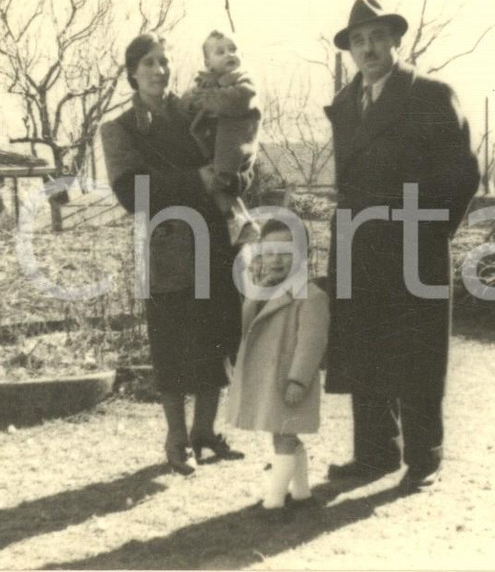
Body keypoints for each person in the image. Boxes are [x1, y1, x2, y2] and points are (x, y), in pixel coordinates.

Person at [323, 0, 480, 495]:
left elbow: (463, 175)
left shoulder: (431, 95)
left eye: (375, 37)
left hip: (415, 243)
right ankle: (374, 453)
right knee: (364, 347)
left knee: (418, 352)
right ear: (350, 50)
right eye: (357, 41)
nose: (367, 48)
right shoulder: (346, 105)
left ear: (395, 40)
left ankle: (423, 455)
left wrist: (430, 232)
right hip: (358, 244)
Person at [101, 33, 252, 475]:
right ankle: (176, 439)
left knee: (218, 335)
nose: (159, 70)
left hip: (214, 238)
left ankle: (204, 433)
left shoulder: (198, 111)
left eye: (164, 61)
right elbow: (132, 194)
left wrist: (233, 179)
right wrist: (196, 182)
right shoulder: (121, 129)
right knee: (170, 343)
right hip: (167, 246)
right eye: (148, 62)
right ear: (132, 72)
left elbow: (235, 155)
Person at [225, 218, 329, 522]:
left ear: (303, 255)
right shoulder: (261, 291)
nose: (276, 259)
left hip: (287, 380)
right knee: (283, 435)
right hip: (266, 380)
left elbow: (311, 342)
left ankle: (274, 503)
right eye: (269, 252)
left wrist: (298, 379)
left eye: (286, 252)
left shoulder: (311, 296)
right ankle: (302, 494)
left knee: (284, 437)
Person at [179, 30, 260, 248]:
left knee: (219, 180)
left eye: (233, 49)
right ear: (207, 62)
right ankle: (243, 223)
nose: (229, 54)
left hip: (236, 144)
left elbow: (242, 97)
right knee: (217, 186)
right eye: (220, 51)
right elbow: (186, 101)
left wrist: (205, 100)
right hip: (214, 147)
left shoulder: (243, 79)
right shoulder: (204, 83)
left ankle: (238, 224)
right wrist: (193, 101)